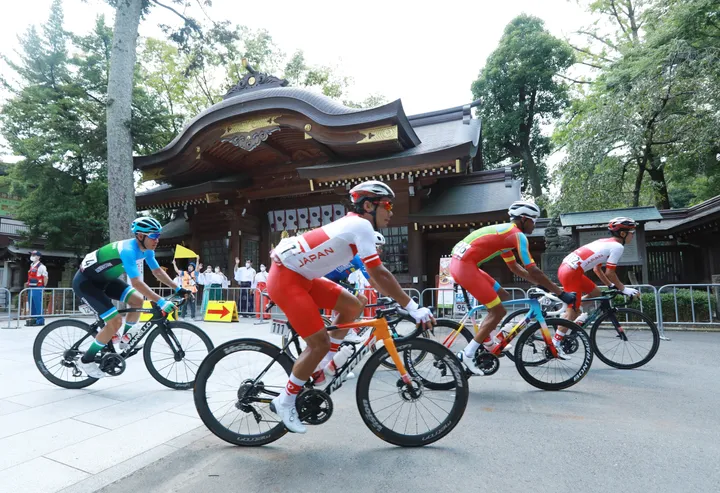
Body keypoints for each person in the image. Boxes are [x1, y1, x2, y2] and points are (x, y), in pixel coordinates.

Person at [266, 180, 434, 434]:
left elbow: (374, 275)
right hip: (287, 279)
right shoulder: (361, 225)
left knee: (353, 306)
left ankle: (326, 365)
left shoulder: (356, 225)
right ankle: (285, 400)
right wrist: (412, 306)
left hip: (303, 277)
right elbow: (379, 274)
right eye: (387, 205)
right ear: (368, 205)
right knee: (318, 342)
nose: (391, 212)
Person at [449, 200, 577, 374]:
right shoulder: (518, 235)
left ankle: (486, 338)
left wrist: (540, 284)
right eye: (533, 220)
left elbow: (515, 268)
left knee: (503, 295)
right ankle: (468, 354)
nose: (535, 224)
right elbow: (533, 269)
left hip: (462, 263)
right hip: (465, 267)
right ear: (524, 219)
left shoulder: (505, 235)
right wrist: (560, 293)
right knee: (499, 311)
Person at [72, 217, 190, 378]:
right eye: (154, 236)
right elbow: (136, 283)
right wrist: (161, 301)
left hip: (105, 280)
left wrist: (178, 288)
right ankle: (86, 360)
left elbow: (157, 272)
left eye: (158, 236)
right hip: (86, 284)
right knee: (115, 321)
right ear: (140, 236)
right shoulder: (128, 250)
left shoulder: (147, 249)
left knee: (137, 300)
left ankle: (125, 339)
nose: (157, 240)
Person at [555, 217, 640, 344]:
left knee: (597, 294)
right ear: (623, 234)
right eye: (631, 232)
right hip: (572, 273)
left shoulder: (605, 242)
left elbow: (597, 269)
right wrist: (624, 289)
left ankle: (569, 313)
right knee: (573, 312)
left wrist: (611, 285)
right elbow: (610, 272)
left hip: (570, 270)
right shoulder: (617, 247)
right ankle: (555, 344)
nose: (633, 235)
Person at [25, 250, 48, 326]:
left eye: (34, 255)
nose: (32, 256)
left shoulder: (41, 266)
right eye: (32, 255)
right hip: (31, 287)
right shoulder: (32, 265)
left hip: (38, 287)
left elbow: (45, 277)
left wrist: (43, 287)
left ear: (38, 257)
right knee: (31, 304)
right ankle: (33, 319)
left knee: (38, 304)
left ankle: (40, 320)